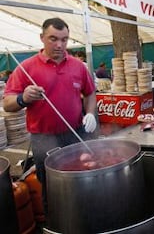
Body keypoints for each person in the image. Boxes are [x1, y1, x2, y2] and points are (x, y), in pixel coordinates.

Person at [2, 17, 97, 214]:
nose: (60, 45)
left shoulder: (78, 66)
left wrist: (90, 113)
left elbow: (90, 93)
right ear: (42, 38)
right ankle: (53, 219)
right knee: (50, 183)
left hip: (75, 134)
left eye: (64, 39)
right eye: (53, 39)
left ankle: (82, 214)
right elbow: (8, 104)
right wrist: (23, 98)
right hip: (43, 138)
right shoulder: (26, 68)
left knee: (81, 175)